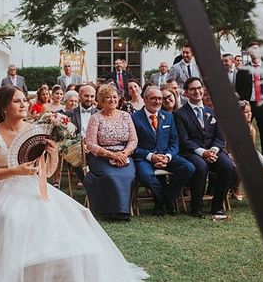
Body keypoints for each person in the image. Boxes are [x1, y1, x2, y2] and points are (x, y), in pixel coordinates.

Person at [0, 86, 154, 282]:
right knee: (12, 218)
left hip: (35, 187)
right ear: (4, 107)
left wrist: (53, 153)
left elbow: (47, 173)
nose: (24, 104)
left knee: (76, 214)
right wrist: (16, 170)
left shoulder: (35, 130)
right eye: (17, 101)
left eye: (24, 100)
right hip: (2, 189)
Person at [174, 77, 235, 220]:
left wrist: (213, 150)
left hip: (212, 150)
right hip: (191, 152)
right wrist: (203, 152)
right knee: (201, 167)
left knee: (228, 166)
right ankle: (196, 207)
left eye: (199, 88)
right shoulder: (180, 114)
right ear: (186, 93)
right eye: (193, 89)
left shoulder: (212, 112)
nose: (197, 91)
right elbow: (184, 140)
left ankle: (217, 206)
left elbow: (220, 137)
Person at [132, 86, 195, 215]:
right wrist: (151, 156)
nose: (158, 101)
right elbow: (133, 146)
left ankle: (165, 198)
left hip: (166, 155)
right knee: (146, 176)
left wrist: (167, 157)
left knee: (188, 168)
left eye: (160, 98)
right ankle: (163, 200)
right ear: (145, 99)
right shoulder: (134, 118)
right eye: (153, 98)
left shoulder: (168, 117)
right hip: (145, 157)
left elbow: (174, 142)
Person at [84, 84, 137, 221]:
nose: (112, 100)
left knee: (128, 175)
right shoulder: (95, 118)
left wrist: (124, 154)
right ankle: (109, 212)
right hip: (101, 156)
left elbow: (133, 140)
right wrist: (112, 155)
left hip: (124, 155)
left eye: (115, 97)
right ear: (101, 101)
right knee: (110, 176)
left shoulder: (126, 116)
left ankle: (123, 212)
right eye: (108, 97)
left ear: (119, 99)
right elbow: (90, 143)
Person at [235, 42, 263, 163]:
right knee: (245, 131)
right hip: (248, 105)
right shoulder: (243, 70)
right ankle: (245, 157)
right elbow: (238, 87)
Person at [231, 100, 263, 199]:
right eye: (246, 112)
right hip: (234, 153)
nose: (249, 114)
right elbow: (230, 148)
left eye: (250, 111)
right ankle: (235, 187)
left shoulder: (251, 128)